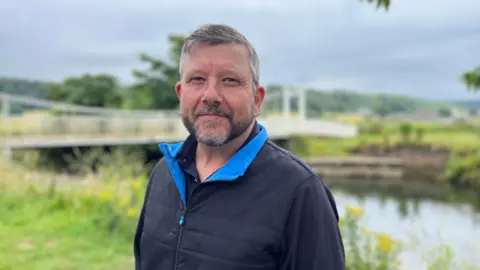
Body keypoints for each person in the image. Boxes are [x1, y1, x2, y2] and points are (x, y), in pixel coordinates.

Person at [133, 23, 345, 270]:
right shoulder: (164, 171)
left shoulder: (300, 191)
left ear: (257, 100)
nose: (210, 95)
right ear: (181, 94)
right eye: (197, 79)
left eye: (230, 80)